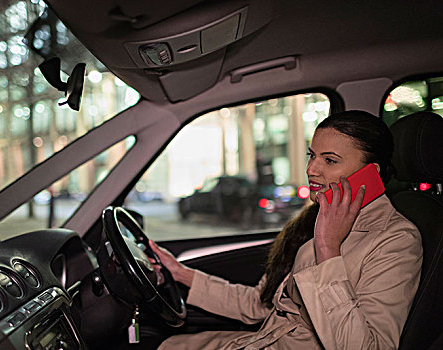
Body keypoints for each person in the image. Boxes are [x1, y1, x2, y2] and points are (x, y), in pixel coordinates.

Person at [151, 110, 422, 349]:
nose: (311, 169)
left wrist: (329, 249)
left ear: (370, 173)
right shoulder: (316, 218)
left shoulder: (395, 240)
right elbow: (260, 305)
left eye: (329, 160)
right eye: (312, 155)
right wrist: (180, 273)